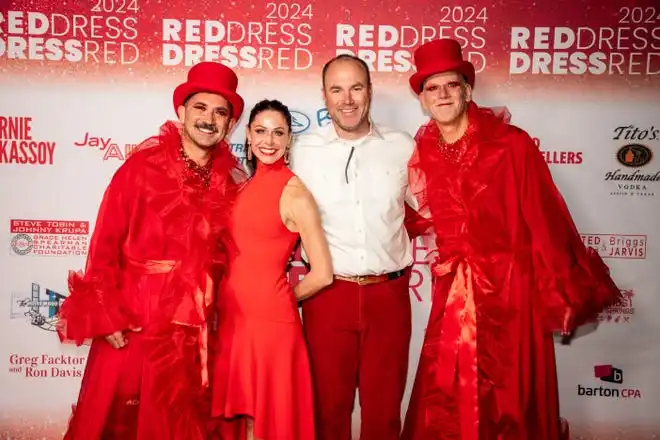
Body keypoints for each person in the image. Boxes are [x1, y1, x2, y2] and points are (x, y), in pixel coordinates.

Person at [400, 38, 622, 440]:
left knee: (509, 400)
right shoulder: (422, 149)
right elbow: (417, 215)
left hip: (510, 295)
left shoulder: (511, 144)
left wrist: (563, 289)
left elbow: (547, 219)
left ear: (467, 90)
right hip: (452, 291)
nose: (443, 95)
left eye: (451, 85)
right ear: (422, 98)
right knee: (444, 392)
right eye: (433, 88)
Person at [56, 61, 247, 440]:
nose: (209, 119)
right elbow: (105, 243)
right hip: (137, 320)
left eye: (220, 112)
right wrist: (105, 312)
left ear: (229, 125)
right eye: (200, 108)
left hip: (196, 330)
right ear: (181, 113)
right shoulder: (141, 168)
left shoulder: (232, 182)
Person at [290, 54, 418, 440]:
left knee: (384, 411)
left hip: (389, 296)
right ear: (325, 97)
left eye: (356, 88)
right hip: (327, 295)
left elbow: (439, 209)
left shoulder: (404, 146)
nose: (347, 99)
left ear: (370, 93)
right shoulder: (300, 151)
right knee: (327, 409)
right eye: (337, 89)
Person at [210, 99, 333, 440]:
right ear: (247, 135)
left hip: (270, 324)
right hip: (233, 321)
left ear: (290, 140)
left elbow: (322, 273)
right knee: (244, 419)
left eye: (278, 132)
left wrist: (279, 298)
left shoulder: (295, 192)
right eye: (261, 131)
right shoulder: (242, 187)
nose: (269, 140)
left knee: (264, 422)